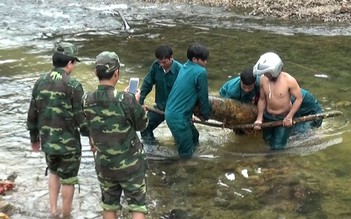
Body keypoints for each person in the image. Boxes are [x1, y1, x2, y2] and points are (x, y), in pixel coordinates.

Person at [26, 42, 89, 217]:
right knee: (68, 180)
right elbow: (81, 119)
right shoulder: (73, 85)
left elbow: (32, 113)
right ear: (69, 63)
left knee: (53, 172)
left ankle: (53, 212)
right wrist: (93, 136)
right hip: (68, 145)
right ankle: (66, 215)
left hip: (48, 142)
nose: (74, 66)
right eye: (74, 63)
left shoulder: (40, 81)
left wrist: (34, 139)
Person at [82, 51, 148, 219]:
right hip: (130, 163)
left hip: (104, 163)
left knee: (109, 204)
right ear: (117, 73)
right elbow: (142, 125)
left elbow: (88, 126)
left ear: (96, 73)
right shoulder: (126, 99)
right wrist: (137, 103)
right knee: (137, 205)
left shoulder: (86, 99)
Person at [165, 43, 212, 158]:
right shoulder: (201, 72)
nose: (206, 62)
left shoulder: (184, 67)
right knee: (186, 154)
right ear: (195, 59)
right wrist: (205, 114)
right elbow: (203, 96)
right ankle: (184, 172)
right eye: (204, 60)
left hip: (171, 113)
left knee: (194, 136)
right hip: (179, 117)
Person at [253, 52, 303, 150]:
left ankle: (276, 163)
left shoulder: (289, 80)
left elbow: (299, 99)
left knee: (278, 146)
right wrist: (259, 118)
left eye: (268, 73)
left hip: (283, 118)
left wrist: (289, 117)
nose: (266, 75)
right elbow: (262, 99)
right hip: (268, 116)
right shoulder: (263, 80)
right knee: (266, 141)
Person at [139, 45, 182, 141]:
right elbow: (147, 83)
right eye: (159, 62)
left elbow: (188, 93)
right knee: (144, 128)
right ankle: (152, 151)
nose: (161, 64)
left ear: (171, 58)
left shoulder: (181, 71)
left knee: (183, 136)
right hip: (160, 108)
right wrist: (140, 102)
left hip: (176, 110)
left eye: (164, 62)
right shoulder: (155, 66)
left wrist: (190, 112)